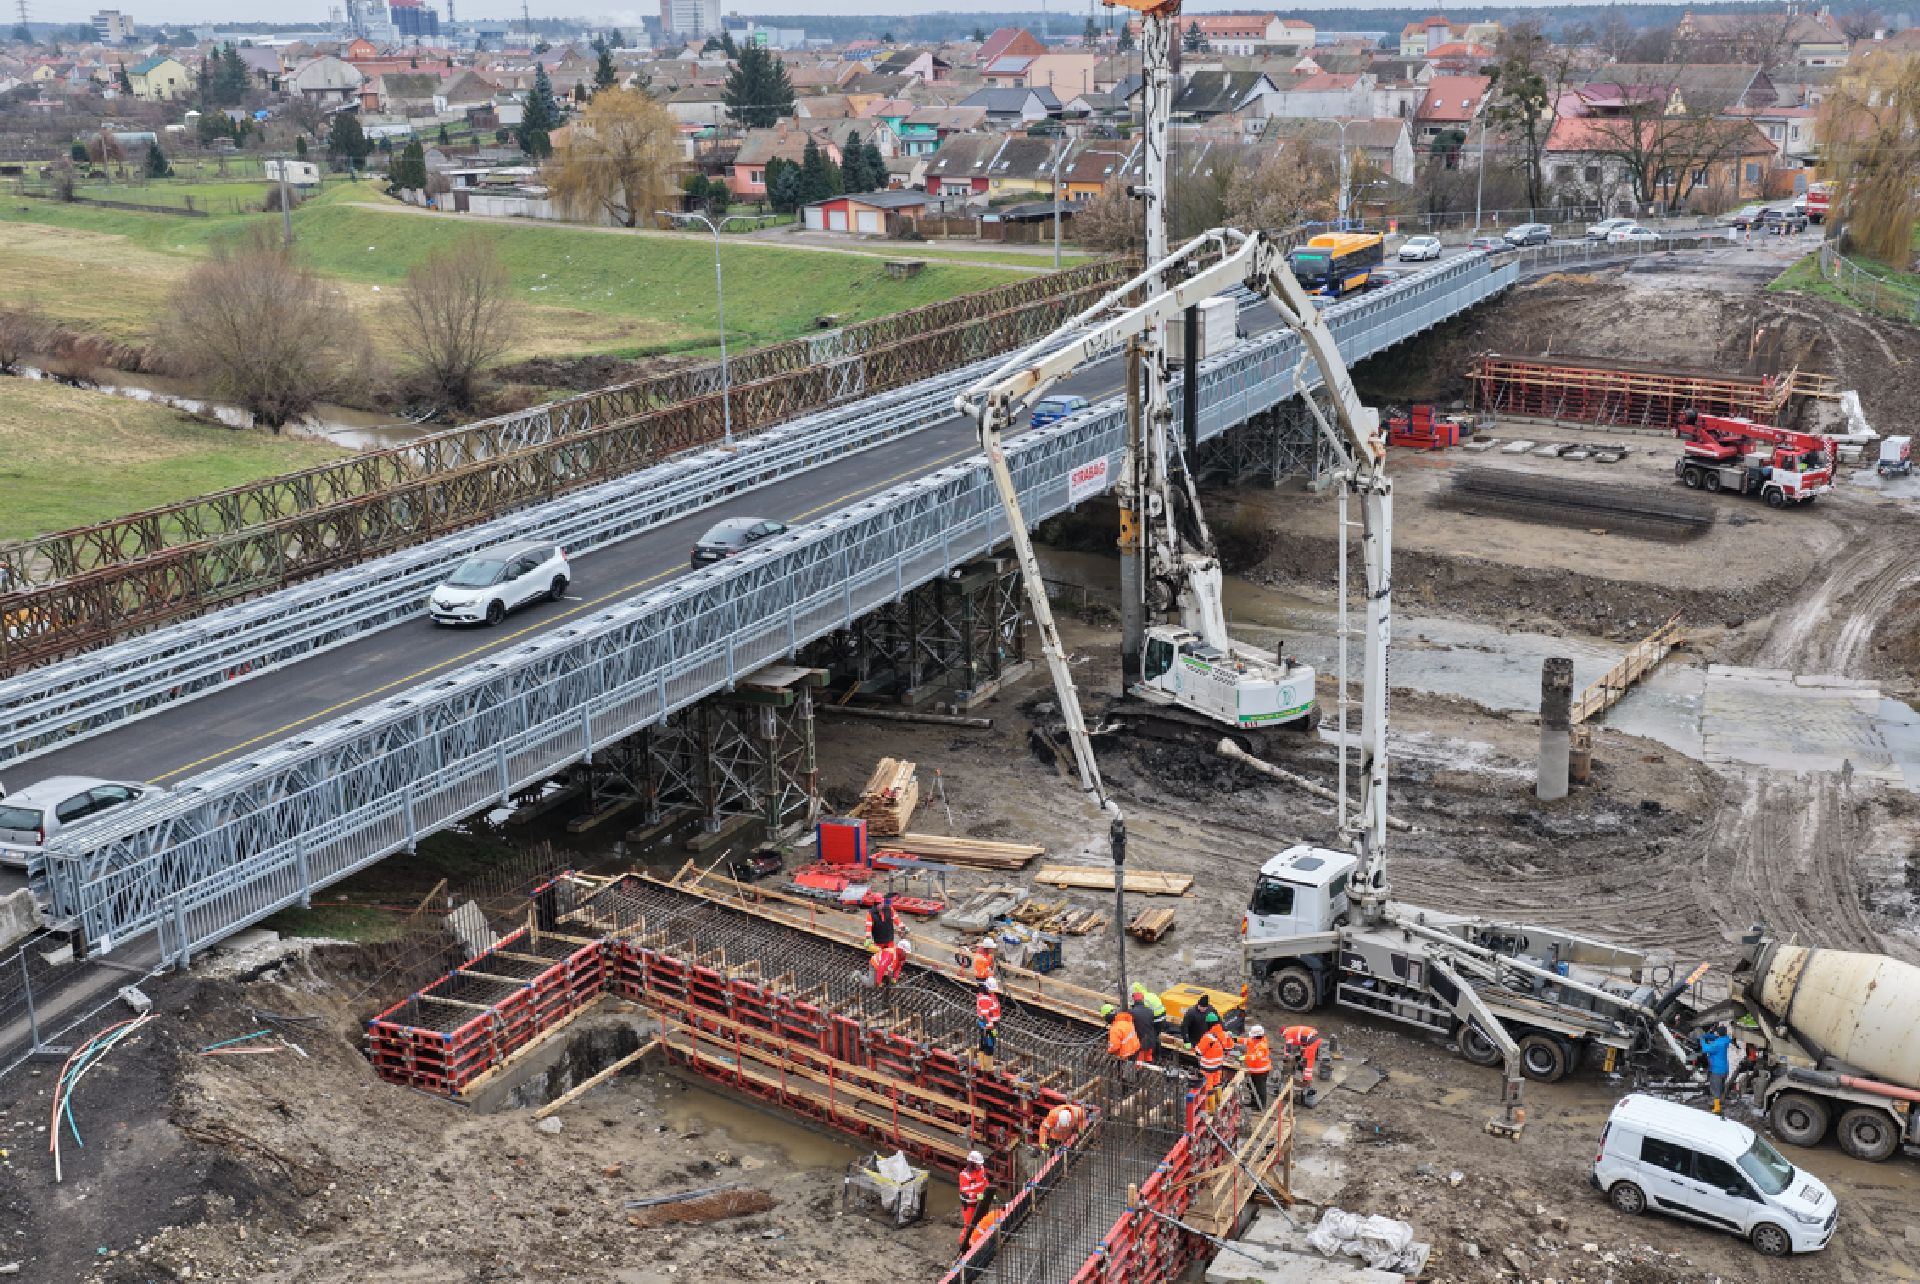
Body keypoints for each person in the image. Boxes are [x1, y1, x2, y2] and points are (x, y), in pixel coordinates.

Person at [1195, 1012, 1233, 1108]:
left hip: (1207, 1067)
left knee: (1208, 1087)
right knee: (1217, 1083)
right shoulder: (1224, 1034)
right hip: (1218, 1065)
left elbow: (1198, 1051)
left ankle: (1210, 1109)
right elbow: (1229, 1047)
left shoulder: (1207, 1037)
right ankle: (1218, 1103)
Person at [957, 1150, 991, 1249]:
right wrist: (978, 1196)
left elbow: (985, 1183)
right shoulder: (964, 1175)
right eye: (978, 1164)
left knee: (981, 1221)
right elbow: (966, 1194)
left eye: (980, 1164)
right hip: (969, 1205)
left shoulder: (981, 1170)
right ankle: (962, 1245)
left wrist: (990, 1195)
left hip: (980, 1201)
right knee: (969, 1225)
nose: (980, 1166)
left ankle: (977, 1241)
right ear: (972, 1163)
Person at [1700, 1023, 1732, 1114]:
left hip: (1716, 1070)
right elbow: (1715, 1037)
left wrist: (1702, 1040)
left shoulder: (1718, 1044)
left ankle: (1717, 1108)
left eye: (1716, 1032)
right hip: (1724, 1069)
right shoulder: (1725, 1040)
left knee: (1715, 1089)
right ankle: (1719, 1103)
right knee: (1720, 1087)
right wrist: (1707, 1035)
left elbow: (1706, 1049)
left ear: (1719, 1033)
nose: (1715, 1033)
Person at [1242, 1024, 1273, 1108]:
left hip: (1261, 1070)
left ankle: (1261, 1105)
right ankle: (1254, 1102)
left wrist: (1244, 1057)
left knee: (1260, 1088)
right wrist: (1233, 1038)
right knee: (1251, 1086)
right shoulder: (1255, 1040)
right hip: (1254, 1069)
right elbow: (1245, 1041)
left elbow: (1256, 1057)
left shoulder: (1261, 1045)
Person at [976, 977, 1002, 1071]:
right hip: (988, 1026)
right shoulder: (985, 998)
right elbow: (985, 1015)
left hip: (990, 1025)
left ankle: (983, 1064)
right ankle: (988, 1066)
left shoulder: (988, 994)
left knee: (984, 1043)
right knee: (989, 1044)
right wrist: (990, 1027)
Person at [1128, 992, 1160, 1065]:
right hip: (1151, 1041)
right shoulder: (1150, 1011)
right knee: (1149, 1061)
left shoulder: (1131, 1012)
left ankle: (1139, 1074)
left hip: (1141, 1042)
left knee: (1139, 1064)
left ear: (1134, 1000)